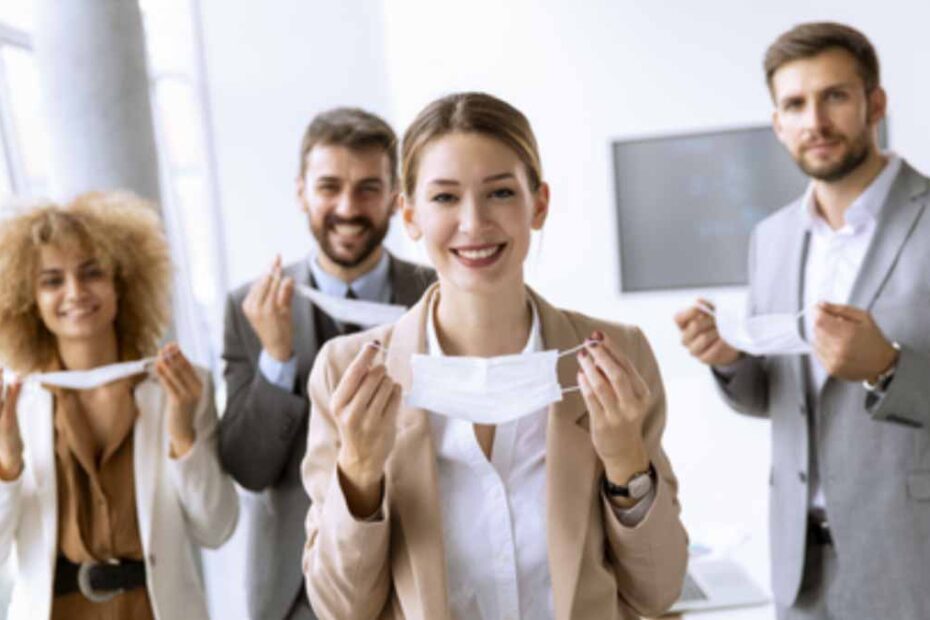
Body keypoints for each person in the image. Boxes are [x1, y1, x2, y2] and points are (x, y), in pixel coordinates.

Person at [301, 92, 687, 620]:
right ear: (408, 214)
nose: (474, 222)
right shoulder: (348, 371)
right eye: (444, 198)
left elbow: (658, 591)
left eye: (500, 192)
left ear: (539, 205)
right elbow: (340, 609)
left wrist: (625, 463)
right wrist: (360, 473)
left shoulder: (617, 357)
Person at [675, 22, 930, 620]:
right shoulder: (771, 238)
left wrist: (890, 368)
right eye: (795, 103)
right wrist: (729, 359)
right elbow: (774, 398)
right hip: (799, 570)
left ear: (876, 103)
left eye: (834, 96)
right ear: (777, 122)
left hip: (914, 560)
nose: (814, 121)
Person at [219, 107, 435, 620]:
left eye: (367, 188)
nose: (347, 206)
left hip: (421, 573)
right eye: (329, 187)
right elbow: (249, 468)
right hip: (296, 590)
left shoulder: (438, 295)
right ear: (301, 193)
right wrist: (277, 358)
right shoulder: (248, 306)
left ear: (397, 197)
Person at [0, 192, 238, 620]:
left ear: (122, 282)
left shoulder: (181, 387)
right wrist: (8, 464)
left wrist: (182, 433)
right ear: (27, 298)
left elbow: (216, 528)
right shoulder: (13, 406)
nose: (75, 292)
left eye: (92, 273)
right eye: (52, 280)